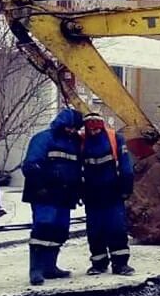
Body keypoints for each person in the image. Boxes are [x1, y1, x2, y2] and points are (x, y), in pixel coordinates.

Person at [21, 108, 84, 286]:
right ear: (62, 124)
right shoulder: (44, 138)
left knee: (60, 230)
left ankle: (50, 267)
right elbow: (31, 165)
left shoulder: (74, 143)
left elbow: (76, 169)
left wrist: (77, 190)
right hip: (45, 193)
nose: (72, 131)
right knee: (43, 226)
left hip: (64, 195)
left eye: (75, 128)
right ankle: (36, 270)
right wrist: (40, 186)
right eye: (70, 127)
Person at [81, 112, 135, 276]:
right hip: (97, 194)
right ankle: (103, 262)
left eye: (96, 129)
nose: (95, 132)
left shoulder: (112, 140)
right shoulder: (85, 141)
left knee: (114, 228)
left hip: (110, 193)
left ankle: (116, 263)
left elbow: (126, 168)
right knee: (99, 229)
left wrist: (126, 188)